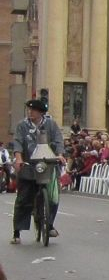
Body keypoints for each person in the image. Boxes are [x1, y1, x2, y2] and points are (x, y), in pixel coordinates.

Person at [11, 99, 66, 244]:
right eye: (29, 110)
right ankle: (17, 232)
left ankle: (49, 224)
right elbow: (17, 142)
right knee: (23, 199)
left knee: (53, 197)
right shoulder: (22, 125)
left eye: (33, 110)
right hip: (29, 164)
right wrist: (18, 158)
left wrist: (60, 155)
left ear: (41, 112)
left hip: (46, 164)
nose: (30, 112)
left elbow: (59, 141)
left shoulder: (50, 124)